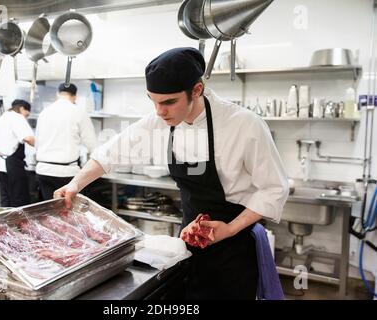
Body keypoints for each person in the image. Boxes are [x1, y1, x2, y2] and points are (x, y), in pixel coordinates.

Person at [54, 47, 289, 299]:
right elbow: (111, 153)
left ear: (196, 90)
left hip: (234, 247)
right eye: (153, 101)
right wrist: (75, 183)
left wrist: (230, 229)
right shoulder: (161, 122)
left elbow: (274, 188)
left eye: (168, 102)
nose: (159, 111)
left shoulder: (243, 124)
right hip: (188, 241)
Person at [35, 83, 98, 200]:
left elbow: (37, 142)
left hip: (43, 171)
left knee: (48, 211)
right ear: (75, 97)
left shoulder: (44, 112)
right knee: (68, 213)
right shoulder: (79, 112)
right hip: (66, 173)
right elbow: (92, 145)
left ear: (57, 94)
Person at [0, 99, 35, 207]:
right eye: (26, 115)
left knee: (5, 201)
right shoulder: (17, 118)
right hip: (12, 166)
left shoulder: (0, 120)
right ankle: (17, 224)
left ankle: (5, 223)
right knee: (19, 202)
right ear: (22, 108)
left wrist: (4, 151)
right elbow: (28, 138)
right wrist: (41, 146)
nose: (26, 117)